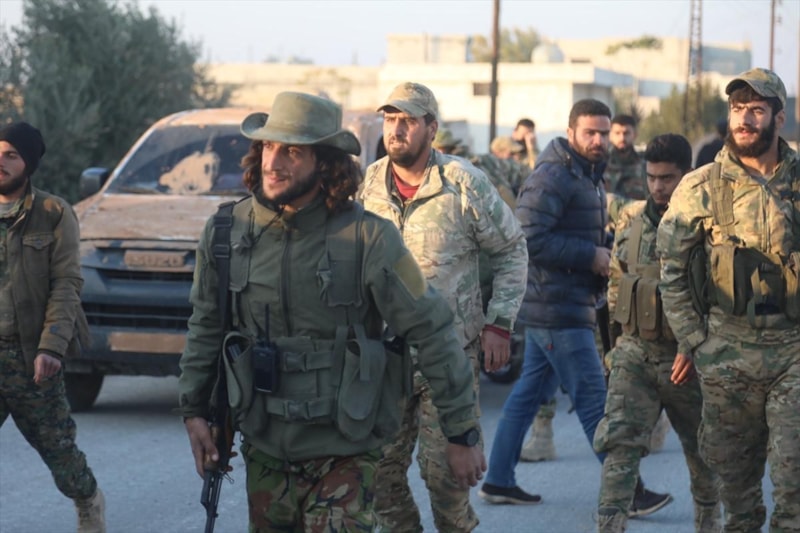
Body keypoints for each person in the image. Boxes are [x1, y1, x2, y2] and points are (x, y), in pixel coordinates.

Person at [178, 91, 486, 532]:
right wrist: (194, 411)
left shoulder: (369, 238)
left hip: (347, 448)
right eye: (268, 146)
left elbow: (432, 329)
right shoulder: (227, 232)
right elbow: (206, 326)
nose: (273, 162)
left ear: (324, 162)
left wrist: (461, 433)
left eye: (292, 151)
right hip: (265, 446)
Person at [479, 99, 671, 517]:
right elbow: (528, 238)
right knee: (595, 402)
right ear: (571, 133)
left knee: (527, 396)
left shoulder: (586, 173)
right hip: (558, 310)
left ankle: (498, 480)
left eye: (603, 132)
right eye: (590, 132)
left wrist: (605, 248)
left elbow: (577, 231)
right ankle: (628, 492)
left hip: (564, 304)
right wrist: (590, 256)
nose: (599, 140)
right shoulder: (553, 176)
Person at [360, 81, 528, 532]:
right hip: (385, 357)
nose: (396, 130)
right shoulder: (369, 183)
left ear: (431, 128)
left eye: (408, 120)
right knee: (379, 476)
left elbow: (511, 250)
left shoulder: (463, 183)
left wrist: (499, 324)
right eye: (390, 119)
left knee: (446, 479)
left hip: (449, 355)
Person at [658, 67, 800, 532]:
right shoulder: (701, 186)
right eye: (738, 109)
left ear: (779, 118)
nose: (744, 119)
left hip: (793, 351)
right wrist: (694, 339)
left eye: (756, 110)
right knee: (737, 497)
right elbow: (671, 268)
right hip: (727, 357)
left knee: (794, 484)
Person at [593, 134, 721, 533]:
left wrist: (699, 348)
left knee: (704, 455)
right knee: (620, 447)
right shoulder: (631, 220)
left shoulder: (709, 225)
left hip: (689, 361)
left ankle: (709, 524)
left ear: (687, 175)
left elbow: (720, 299)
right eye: (651, 177)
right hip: (634, 354)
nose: (658, 187)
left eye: (667, 178)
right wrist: (611, 353)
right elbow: (614, 291)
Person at [0, 122, 105, 533]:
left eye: (11, 155)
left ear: (29, 163)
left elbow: (66, 284)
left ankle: (88, 501)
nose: (1, 162)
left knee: (59, 452)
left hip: (30, 355)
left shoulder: (53, 213)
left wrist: (51, 347)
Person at [605, 114, 647, 201]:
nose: (622, 138)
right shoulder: (601, 163)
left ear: (635, 135)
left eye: (626, 133)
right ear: (610, 135)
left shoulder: (645, 163)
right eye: (617, 133)